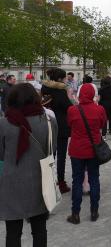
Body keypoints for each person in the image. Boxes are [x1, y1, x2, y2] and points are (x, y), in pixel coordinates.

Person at [0, 83, 57, 247]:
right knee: (39, 229)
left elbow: (1, 155)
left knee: (13, 231)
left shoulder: (4, 124)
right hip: (40, 181)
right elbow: (51, 149)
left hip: (12, 182)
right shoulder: (48, 121)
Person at [66, 83, 107, 224]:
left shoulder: (72, 110)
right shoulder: (99, 109)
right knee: (94, 179)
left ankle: (75, 213)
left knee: (77, 180)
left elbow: (69, 124)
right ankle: (94, 211)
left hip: (77, 150)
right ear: (93, 95)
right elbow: (102, 125)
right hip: (93, 149)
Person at [41, 68, 73, 194]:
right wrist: (70, 98)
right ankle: (60, 182)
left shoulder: (44, 89)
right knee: (61, 156)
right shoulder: (60, 91)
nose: (66, 80)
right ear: (60, 79)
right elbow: (69, 108)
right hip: (60, 126)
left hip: (46, 123)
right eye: (64, 77)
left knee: (50, 154)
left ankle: (49, 180)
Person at [98, 76, 111, 141]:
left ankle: (103, 135)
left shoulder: (101, 89)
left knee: (104, 120)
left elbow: (100, 99)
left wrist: (100, 105)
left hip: (103, 105)